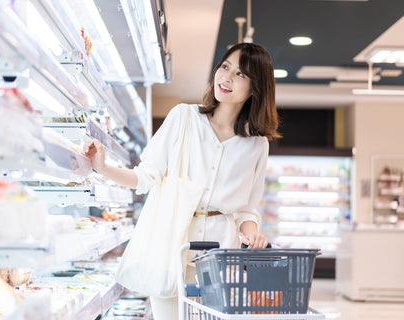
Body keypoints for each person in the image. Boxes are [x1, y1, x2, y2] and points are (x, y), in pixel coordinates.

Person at [83, 42, 280, 319]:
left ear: (256, 88)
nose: (227, 77)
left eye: (241, 74)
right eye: (225, 67)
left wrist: (252, 232)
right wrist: (101, 167)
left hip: (220, 257)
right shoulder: (183, 118)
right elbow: (144, 177)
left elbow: (246, 209)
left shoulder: (257, 145)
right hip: (170, 247)